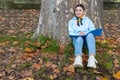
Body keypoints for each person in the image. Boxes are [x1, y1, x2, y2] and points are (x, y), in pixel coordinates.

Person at [68, 4, 98, 68]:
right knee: (79, 37)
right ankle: (78, 58)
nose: (78, 12)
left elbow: (92, 29)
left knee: (90, 34)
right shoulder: (71, 22)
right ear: (74, 11)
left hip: (88, 41)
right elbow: (71, 32)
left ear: (83, 11)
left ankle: (91, 58)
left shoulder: (87, 20)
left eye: (80, 10)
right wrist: (79, 33)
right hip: (78, 41)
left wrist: (85, 32)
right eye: (76, 10)